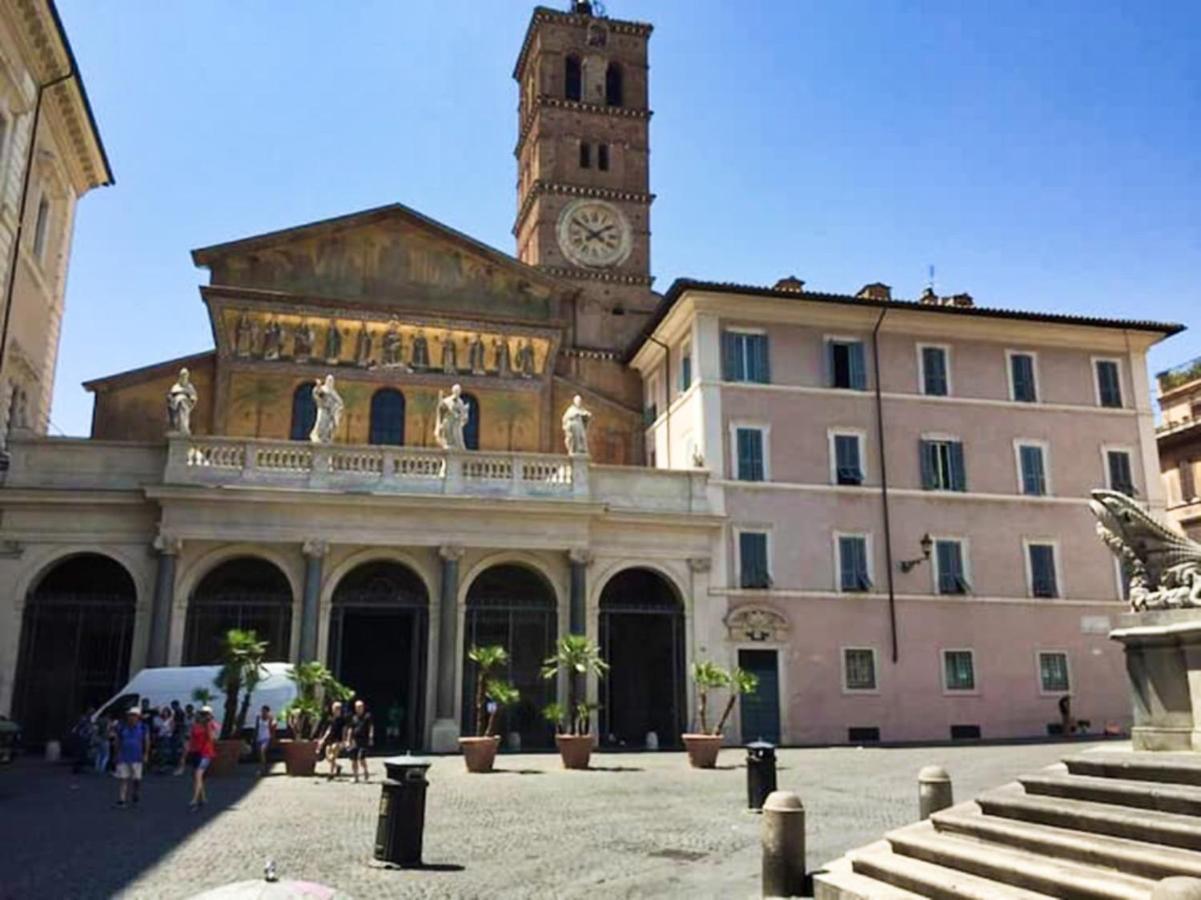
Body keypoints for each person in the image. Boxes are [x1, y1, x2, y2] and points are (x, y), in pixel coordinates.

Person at [182, 705, 217, 810]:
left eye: (206, 714)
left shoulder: (212, 725)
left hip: (206, 753)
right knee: (197, 777)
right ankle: (203, 797)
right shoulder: (195, 726)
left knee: (198, 773)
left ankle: (195, 799)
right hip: (195, 752)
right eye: (202, 714)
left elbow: (212, 738)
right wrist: (185, 753)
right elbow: (191, 739)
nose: (204, 716)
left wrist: (207, 726)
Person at [114, 706, 149, 808]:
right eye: (130, 715)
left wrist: (146, 753)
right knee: (123, 778)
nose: (131, 717)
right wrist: (116, 754)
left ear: (138, 717)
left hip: (137, 756)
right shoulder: (122, 727)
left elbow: (146, 741)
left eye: (134, 715)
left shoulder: (143, 727)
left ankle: (135, 793)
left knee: (136, 779)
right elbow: (118, 741)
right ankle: (122, 799)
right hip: (124, 756)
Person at [317, 700, 348, 781]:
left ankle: (331, 774)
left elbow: (345, 729)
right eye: (334, 708)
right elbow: (327, 730)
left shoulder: (343, 719)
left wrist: (344, 740)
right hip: (330, 739)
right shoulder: (330, 718)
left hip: (338, 739)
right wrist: (323, 739)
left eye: (338, 708)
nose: (335, 709)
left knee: (333, 756)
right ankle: (337, 766)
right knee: (328, 757)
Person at [348, 699, 374, 784]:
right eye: (358, 707)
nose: (359, 708)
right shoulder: (353, 717)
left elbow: (371, 727)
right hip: (354, 740)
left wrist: (370, 737)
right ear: (355, 708)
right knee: (354, 759)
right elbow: (350, 729)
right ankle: (355, 776)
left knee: (361, 758)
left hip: (364, 740)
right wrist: (348, 740)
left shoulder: (367, 716)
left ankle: (365, 770)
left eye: (361, 707)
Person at [255, 705, 276, 776]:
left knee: (262, 751)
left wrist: (273, 738)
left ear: (268, 712)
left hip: (267, 738)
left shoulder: (270, 718)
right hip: (259, 738)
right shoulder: (258, 718)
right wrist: (254, 737)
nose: (263, 712)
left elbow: (273, 727)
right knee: (260, 755)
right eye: (262, 711)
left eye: (265, 711)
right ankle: (263, 769)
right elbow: (256, 727)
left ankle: (263, 769)